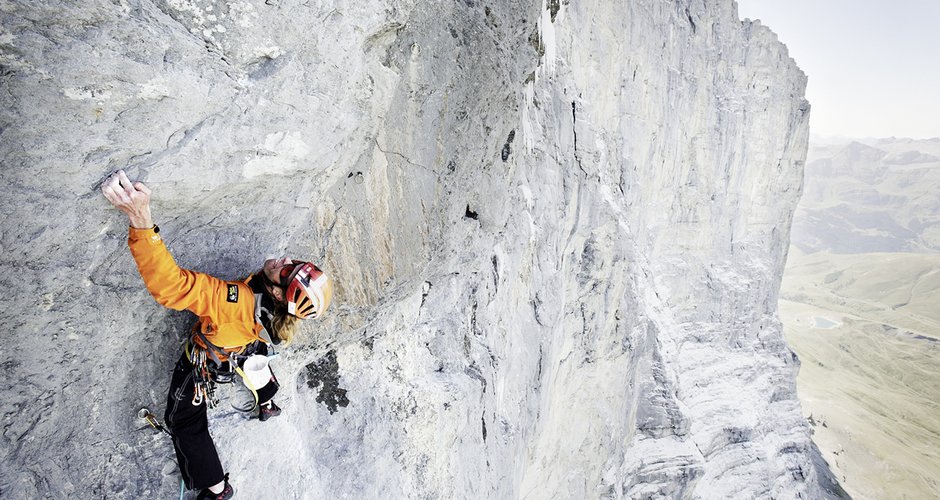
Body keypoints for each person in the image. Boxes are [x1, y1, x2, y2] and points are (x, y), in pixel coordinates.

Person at [101, 170, 333, 500]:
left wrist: (141, 218)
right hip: (248, 340)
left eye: (287, 269)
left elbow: (172, 287)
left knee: (184, 421)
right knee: (255, 353)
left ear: (280, 294)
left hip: (208, 359)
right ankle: (267, 401)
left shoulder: (232, 301)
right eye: (293, 262)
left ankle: (217, 489)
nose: (285, 259)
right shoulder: (275, 316)